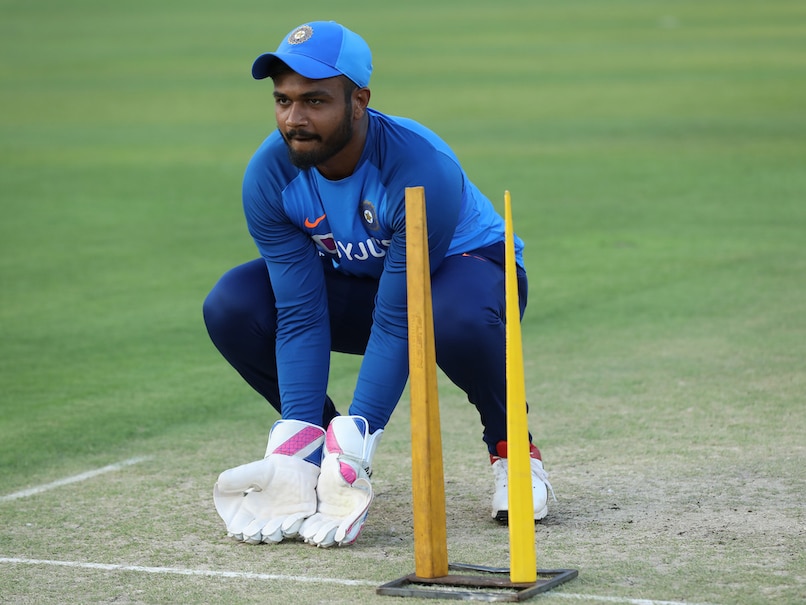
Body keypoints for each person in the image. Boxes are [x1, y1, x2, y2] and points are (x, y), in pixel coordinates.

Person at [203, 20, 553, 548]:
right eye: (283, 100)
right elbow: (299, 312)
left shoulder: (418, 168)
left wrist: (360, 441)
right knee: (234, 305)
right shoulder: (269, 176)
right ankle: (316, 457)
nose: (294, 119)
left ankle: (513, 454)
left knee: (451, 318)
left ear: (359, 101)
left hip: (469, 275)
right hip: (364, 284)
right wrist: (297, 446)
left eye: (315, 101)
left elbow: (398, 317)